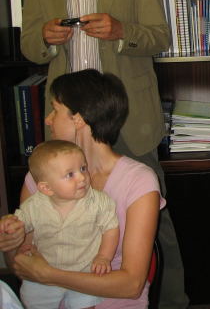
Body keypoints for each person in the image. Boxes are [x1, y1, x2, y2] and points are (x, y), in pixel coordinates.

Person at [19, 0, 188, 309]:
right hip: (67, 120)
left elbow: (160, 37)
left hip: (127, 115)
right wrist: (46, 38)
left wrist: (121, 31)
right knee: (64, 216)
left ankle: (171, 301)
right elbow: (29, 46)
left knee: (155, 222)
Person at [1, 69, 164, 308]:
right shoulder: (42, 177)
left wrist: (50, 275)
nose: (47, 119)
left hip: (114, 301)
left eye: (55, 110)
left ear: (78, 119)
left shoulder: (138, 181)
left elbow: (131, 285)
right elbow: (22, 266)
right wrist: (10, 241)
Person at [0, 140, 119, 309]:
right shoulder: (34, 205)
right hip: (42, 270)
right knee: (33, 300)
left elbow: (111, 228)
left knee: (86, 303)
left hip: (84, 273)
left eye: (83, 168)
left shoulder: (99, 202)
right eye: (70, 174)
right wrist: (10, 225)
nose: (82, 177)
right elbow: (20, 223)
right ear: (46, 188)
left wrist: (103, 257)